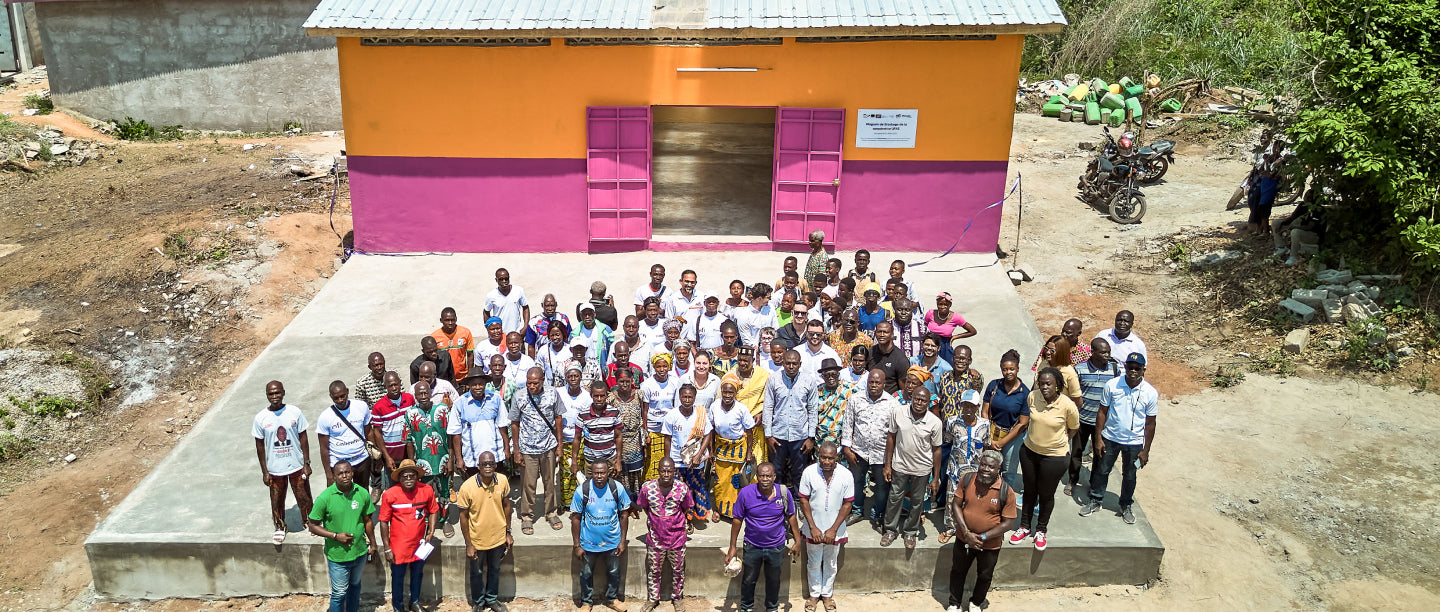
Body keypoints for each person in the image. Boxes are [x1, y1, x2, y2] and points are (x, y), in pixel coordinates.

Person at [1081, 352, 1158, 525]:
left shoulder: (1150, 393)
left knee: (1130, 475)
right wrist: (1098, 438)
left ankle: (1125, 505)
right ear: (1125, 367)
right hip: (1110, 438)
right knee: (1102, 471)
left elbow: (1150, 423)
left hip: (1134, 443)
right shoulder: (1112, 385)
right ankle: (1095, 500)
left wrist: (1146, 450)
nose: (1133, 371)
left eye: (1137, 368)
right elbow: (1102, 412)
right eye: (1130, 367)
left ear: (1143, 370)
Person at [1008, 367, 1079, 551]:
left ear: (1058, 385)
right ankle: (1024, 526)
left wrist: (1058, 443)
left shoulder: (1067, 405)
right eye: (1041, 383)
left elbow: (1073, 428)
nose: (1044, 387)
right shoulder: (1033, 396)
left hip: (1054, 458)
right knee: (1029, 491)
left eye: (1049, 384)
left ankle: (1041, 530)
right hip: (1030, 453)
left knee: (1046, 494)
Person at [946, 451, 1016, 612]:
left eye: (991, 467)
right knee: (958, 571)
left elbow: (1008, 524)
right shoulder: (968, 479)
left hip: (990, 544)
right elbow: (956, 504)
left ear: (998, 469)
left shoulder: (1006, 491)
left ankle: (976, 603)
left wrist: (981, 537)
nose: (985, 469)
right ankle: (954, 603)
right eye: (983, 464)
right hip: (964, 538)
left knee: (985, 575)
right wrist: (966, 533)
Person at [726, 463, 802, 612]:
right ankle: (746, 608)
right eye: (761, 476)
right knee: (748, 580)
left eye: (768, 476)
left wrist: (798, 541)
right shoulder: (746, 493)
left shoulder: (783, 493)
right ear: (757, 477)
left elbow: (791, 516)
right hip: (752, 545)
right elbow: (737, 520)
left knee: (774, 581)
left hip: (776, 546)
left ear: (774, 477)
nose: (765, 479)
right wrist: (732, 546)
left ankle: (772, 608)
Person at [307, 460, 377, 612]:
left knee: (355, 586)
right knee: (339, 593)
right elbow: (312, 525)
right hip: (338, 557)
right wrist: (335, 536)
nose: (344, 476)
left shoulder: (362, 493)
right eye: (340, 473)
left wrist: (373, 544)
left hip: (359, 552)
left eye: (347, 472)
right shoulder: (325, 498)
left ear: (352, 473)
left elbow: (367, 520)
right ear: (334, 476)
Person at [881, 386, 943, 549]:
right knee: (894, 498)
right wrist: (887, 465)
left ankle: (910, 532)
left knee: (917, 501)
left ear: (928, 403)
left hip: (922, 469)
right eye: (916, 399)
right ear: (911, 398)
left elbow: (937, 450)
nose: (919, 403)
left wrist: (935, 478)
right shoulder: (898, 412)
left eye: (923, 400)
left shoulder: (935, 422)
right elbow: (891, 437)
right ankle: (890, 530)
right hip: (900, 465)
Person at [253, 380, 312, 544]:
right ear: (267, 395)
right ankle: (280, 527)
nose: (275, 396)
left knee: (304, 496)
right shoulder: (261, 418)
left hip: (296, 465)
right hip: (275, 468)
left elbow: (303, 437)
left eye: (277, 392)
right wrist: (265, 471)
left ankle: (309, 522)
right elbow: (259, 446)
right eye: (271, 394)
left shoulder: (294, 412)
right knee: (277, 500)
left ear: (283, 392)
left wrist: (306, 463)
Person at [798, 442, 854, 612]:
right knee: (814, 563)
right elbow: (803, 500)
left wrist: (833, 529)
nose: (826, 461)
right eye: (823, 457)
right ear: (818, 455)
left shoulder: (846, 475)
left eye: (830, 458)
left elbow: (847, 504)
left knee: (831, 563)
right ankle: (814, 595)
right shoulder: (809, 472)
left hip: (835, 529)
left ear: (837, 457)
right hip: (813, 528)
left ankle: (827, 595)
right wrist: (812, 527)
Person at [454, 451, 513, 612]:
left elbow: (507, 506)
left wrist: (508, 532)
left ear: (495, 465)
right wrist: (469, 544)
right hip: (477, 539)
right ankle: (479, 602)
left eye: (491, 463)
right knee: (477, 572)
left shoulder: (502, 480)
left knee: (495, 569)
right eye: (484, 464)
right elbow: (463, 517)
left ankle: (492, 599)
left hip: (498, 537)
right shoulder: (467, 487)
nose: (488, 467)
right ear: (478, 466)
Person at [571, 460, 632, 612]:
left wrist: (622, 541)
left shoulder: (617, 488)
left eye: (602, 473)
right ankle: (586, 602)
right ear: (591, 473)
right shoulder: (582, 490)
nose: (599, 476)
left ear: (608, 473)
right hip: (589, 543)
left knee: (614, 572)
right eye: (596, 473)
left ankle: (612, 599)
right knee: (586, 573)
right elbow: (576, 518)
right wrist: (577, 545)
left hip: (612, 541)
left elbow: (624, 515)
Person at [378, 459, 438, 612]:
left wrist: (431, 531)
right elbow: (383, 522)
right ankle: (398, 606)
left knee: (418, 573)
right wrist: (387, 548)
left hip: (420, 544)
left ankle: (415, 602)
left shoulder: (427, 490)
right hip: (398, 547)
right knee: (398, 576)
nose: (409, 479)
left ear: (417, 476)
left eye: (412, 476)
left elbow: (433, 510)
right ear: (399, 478)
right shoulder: (390, 494)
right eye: (405, 476)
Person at [840, 369, 896, 527]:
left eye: (878, 383)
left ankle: (878, 514)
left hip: (881, 453)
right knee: (857, 482)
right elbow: (848, 424)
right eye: (871, 382)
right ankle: (857, 511)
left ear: (884, 384)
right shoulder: (855, 399)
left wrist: (890, 460)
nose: (874, 385)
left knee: (882, 485)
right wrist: (847, 449)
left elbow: (894, 431)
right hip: (859, 451)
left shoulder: (892, 403)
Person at [509, 367, 562, 534]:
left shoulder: (553, 393)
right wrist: (516, 450)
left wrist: (559, 445)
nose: (531, 386)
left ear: (543, 380)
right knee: (528, 484)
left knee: (549, 482)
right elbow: (515, 423)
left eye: (535, 383)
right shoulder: (519, 396)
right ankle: (527, 516)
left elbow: (558, 418)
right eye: (529, 383)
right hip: (527, 448)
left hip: (548, 446)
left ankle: (551, 513)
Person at [637, 457, 693, 612]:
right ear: (658, 471)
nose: (666, 474)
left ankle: (677, 599)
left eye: (670, 471)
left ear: (674, 471)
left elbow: (686, 507)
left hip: (677, 539)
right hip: (655, 539)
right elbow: (645, 507)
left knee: (678, 571)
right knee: (654, 571)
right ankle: (653, 599)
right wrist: (658, 521)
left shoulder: (682, 488)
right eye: (663, 471)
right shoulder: (647, 488)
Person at [403, 380, 456, 539]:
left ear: (431, 393)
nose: (423, 396)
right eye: (420, 394)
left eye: (426, 392)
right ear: (415, 395)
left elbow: (450, 436)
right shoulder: (410, 414)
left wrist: (451, 459)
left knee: (444, 492)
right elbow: (409, 441)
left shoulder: (443, 409)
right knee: (423, 494)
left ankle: (445, 520)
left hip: (443, 460)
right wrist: (412, 465)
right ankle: (425, 522)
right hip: (422, 463)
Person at [1069, 338, 1121, 496]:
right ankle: (1072, 480)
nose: (1107, 355)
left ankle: (1094, 484)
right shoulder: (1079, 369)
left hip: (1103, 423)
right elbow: (1074, 394)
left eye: (1109, 352)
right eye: (1103, 352)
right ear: (1092, 352)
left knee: (1099, 454)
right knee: (1077, 452)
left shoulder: (1114, 369)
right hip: (1082, 420)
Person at [937, 390, 990, 544]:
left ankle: (969, 528)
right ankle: (950, 528)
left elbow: (986, 446)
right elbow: (948, 441)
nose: (968, 409)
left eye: (972, 406)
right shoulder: (952, 421)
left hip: (975, 472)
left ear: (978, 407)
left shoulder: (985, 424)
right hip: (955, 470)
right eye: (965, 405)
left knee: (973, 501)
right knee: (951, 500)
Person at [763, 350, 818, 490]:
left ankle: (799, 500)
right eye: (788, 363)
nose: (791, 367)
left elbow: (813, 409)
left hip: (800, 436)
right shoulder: (774, 379)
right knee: (776, 471)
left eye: (794, 363)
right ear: (783, 363)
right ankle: (776, 499)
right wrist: (768, 435)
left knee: (799, 472)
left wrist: (811, 437)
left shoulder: (808, 381)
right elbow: (768, 407)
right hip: (778, 436)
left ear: (800, 364)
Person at [662, 385, 714, 524]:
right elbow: (667, 439)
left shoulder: (700, 414)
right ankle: (679, 519)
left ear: (694, 398)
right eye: (684, 397)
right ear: (679, 397)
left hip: (695, 462)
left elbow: (708, 434)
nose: (687, 400)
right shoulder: (672, 415)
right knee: (677, 492)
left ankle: (689, 519)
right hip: (676, 461)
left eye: (690, 397)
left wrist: (699, 455)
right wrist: (668, 460)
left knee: (694, 490)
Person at [982, 350, 1030, 496]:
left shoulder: (1024, 393)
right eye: (1005, 369)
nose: (1008, 372)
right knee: (987, 468)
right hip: (991, 433)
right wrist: (988, 437)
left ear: (1017, 369)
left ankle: (1004, 500)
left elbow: (1023, 424)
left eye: (1011, 369)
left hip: (1012, 438)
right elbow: (984, 412)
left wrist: (1002, 443)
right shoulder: (994, 386)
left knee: (1008, 471)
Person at [708, 381, 757, 519]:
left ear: (735, 393)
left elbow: (750, 431)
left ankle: (737, 512)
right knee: (720, 481)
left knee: (737, 482)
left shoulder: (741, 409)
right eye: (725, 392)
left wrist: (749, 452)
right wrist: (711, 450)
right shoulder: (715, 406)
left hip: (738, 449)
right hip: (721, 447)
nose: (727, 395)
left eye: (731, 392)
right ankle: (719, 510)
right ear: (721, 392)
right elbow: (711, 430)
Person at [449, 372, 513, 478]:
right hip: (472, 458)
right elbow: (456, 434)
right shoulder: (459, 403)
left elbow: (502, 426)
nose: (478, 387)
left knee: (497, 485)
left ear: (485, 384)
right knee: (475, 487)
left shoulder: (496, 399)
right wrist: (459, 458)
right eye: (474, 385)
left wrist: (506, 448)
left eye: (481, 384)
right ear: (469, 385)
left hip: (495, 456)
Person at [317, 381, 375, 489]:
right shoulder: (325, 417)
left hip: (361, 460)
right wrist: (329, 475)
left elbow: (369, 432)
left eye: (342, 396)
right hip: (339, 464)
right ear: (331, 396)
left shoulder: (361, 407)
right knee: (341, 495)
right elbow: (324, 448)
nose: (340, 400)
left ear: (347, 391)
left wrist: (375, 456)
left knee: (362, 492)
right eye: (336, 398)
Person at [722, 346, 770, 465]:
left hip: (756, 426)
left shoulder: (763, 376)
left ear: (752, 361)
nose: (742, 363)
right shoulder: (730, 376)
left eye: (746, 361)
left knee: (756, 463)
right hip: (735, 429)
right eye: (740, 360)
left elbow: (770, 400)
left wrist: (762, 413)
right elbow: (721, 401)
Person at [372, 371, 417, 488]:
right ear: (385, 387)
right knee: (393, 488)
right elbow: (377, 433)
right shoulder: (378, 407)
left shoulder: (409, 399)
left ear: (400, 383)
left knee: (411, 485)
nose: (394, 388)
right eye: (390, 385)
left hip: (409, 453)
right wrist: (386, 457)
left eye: (396, 384)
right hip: (392, 456)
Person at [556, 363, 592, 506]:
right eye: (570, 376)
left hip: (580, 439)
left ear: (581, 377)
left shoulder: (587, 396)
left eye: (576, 376)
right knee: (565, 473)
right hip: (563, 438)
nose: (573, 379)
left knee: (578, 471)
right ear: (565, 378)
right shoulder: (559, 392)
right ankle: (566, 503)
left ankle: (580, 501)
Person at [640, 352, 679, 480]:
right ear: (654, 367)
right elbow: (644, 410)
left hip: (669, 430)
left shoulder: (675, 382)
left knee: (668, 460)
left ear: (669, 366)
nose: (662, 370)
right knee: (652, 463)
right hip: (653, 430)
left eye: (665, 366)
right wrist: (646, 433)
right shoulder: (647, 385)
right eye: (658, 366)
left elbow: (676, 406)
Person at [610, 368, 648, 498]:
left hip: (635, 440)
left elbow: (643, 415)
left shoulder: (638, 395)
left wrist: (645, 435)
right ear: (616, 381)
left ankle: (636, 500)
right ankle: (624, 501)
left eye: (627, 381)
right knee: (621, 472)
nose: (625, 384)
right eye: (621, 382)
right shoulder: (611, 398)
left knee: (636, 473)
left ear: (632, 380)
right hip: (619, 439)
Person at [1246, 130, 1284, 237]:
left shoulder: (1277, 157)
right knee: (1255, 201)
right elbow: (1259, 167)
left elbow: (1274, 170)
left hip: (1269, 182)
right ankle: (1259, 229)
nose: (1262, 139)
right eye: (1261, 137)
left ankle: (1264, 230)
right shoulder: (1263, 153)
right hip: (1262, 179)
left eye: (1265, 137)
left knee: (1263, 206)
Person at [1272, 191, 1324, 265]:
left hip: (1313, 235)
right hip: (1302, 230)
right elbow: (1292, 217)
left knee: (1295, 232)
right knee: (1276, 223)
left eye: (1309, 197)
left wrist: (1291, 228)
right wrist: (1282, 224)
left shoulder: (1318, 209)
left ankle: (1293, 256)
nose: (1306, 198)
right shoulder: (1302, 205)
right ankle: (1281, 247)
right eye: (1305, 196)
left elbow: (1310, 227)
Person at [925, 292, 977, 362]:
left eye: (946, 304)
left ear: (950, 305)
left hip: (945, 347)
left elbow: (972, 331)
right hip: (930, 345)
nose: (943, 307)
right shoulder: (931, 313)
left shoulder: (955, 317)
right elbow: (924, 326)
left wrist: (954, 337)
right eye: (940, 304)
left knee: (947, 366)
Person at [935, 345, 984, 420]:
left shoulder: (974, 378)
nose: (960, 361)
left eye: (964, 359)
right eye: (957, 358)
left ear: (970, 361)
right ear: (952, 359)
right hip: (947, 423)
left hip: (965, 424)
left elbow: (978, 386)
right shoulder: (945, 376)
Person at [811, 359, 852, 447]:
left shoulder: (849, 389)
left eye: (833, 374)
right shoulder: (817, 391)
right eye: (827, 375)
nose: (830, 378)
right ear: (822, 377)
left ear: (838, 374)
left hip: (842, 441)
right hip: (821, 440)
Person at [483, 268, 529, 336]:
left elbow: (525, 307)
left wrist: (525, 326)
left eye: (506, 279)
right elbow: (486, 312)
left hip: (516, 332)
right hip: (500, 334)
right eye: (501, 279)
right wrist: (490, 329)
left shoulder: (518, 291)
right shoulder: (491, 295)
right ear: (496, 280)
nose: (504, 281)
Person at [432, 307, 474, 382]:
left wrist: (469, 375)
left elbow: (470, 354)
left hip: (462, 378)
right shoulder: (434, 336)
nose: (450, 323)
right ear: (441, 320)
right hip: (443, 379)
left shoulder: (465, 332)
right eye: (447, 320)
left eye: (452, 320)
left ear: (456, 319)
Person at [866, 321, 909, 393]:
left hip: (891, 397)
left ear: (892, 334)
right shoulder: (870, 353)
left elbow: (903, 388)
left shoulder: (900, 359)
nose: (882, 335)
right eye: (879, 332)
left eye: (885, 332)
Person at [736, 283, 778, 348]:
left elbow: (776, 328)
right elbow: (746, 339)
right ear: (759, 298)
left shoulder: (771, 308)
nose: (770, 299)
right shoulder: (743, 315)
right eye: (768, 297)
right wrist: (757, 349)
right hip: (753, 350)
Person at [575, 302, 616, 367]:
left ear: (594, 314)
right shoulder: (575, 333)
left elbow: (613, 349)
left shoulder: (606, 330)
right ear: (581, 316)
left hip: (601, 368)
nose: (587, 317)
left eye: (590, 314)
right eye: (585, 314)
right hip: (582, 369)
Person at [536, 322, 575, 387]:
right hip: (548, 387)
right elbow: (538, 370)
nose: (554, 338)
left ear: (563, 334)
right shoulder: (543, 350)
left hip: (566, 388)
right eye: (552, 335)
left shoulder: (570, 350)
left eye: (557, 335)